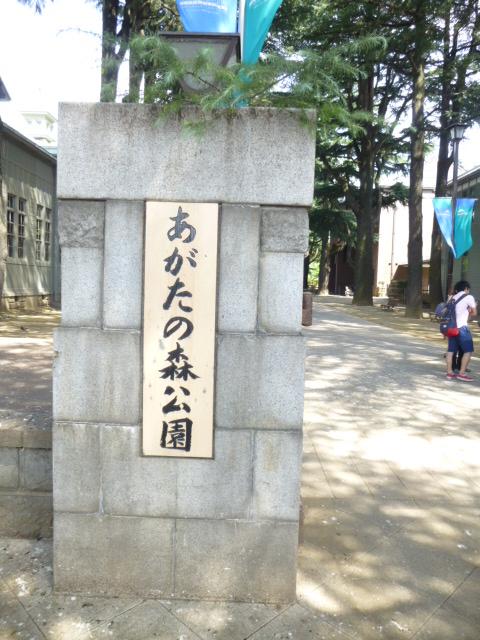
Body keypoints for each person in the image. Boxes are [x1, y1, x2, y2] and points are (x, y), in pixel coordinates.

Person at [446, 280, 477, 381]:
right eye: (468, 289)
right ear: (466, 288)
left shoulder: (452, 298)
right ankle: (461, 373)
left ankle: (449, 373)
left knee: (450, 351)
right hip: (462, 328)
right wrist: (470, 310)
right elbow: (474, 313)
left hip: (451, 328)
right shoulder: (469, 297)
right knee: (468, 351)